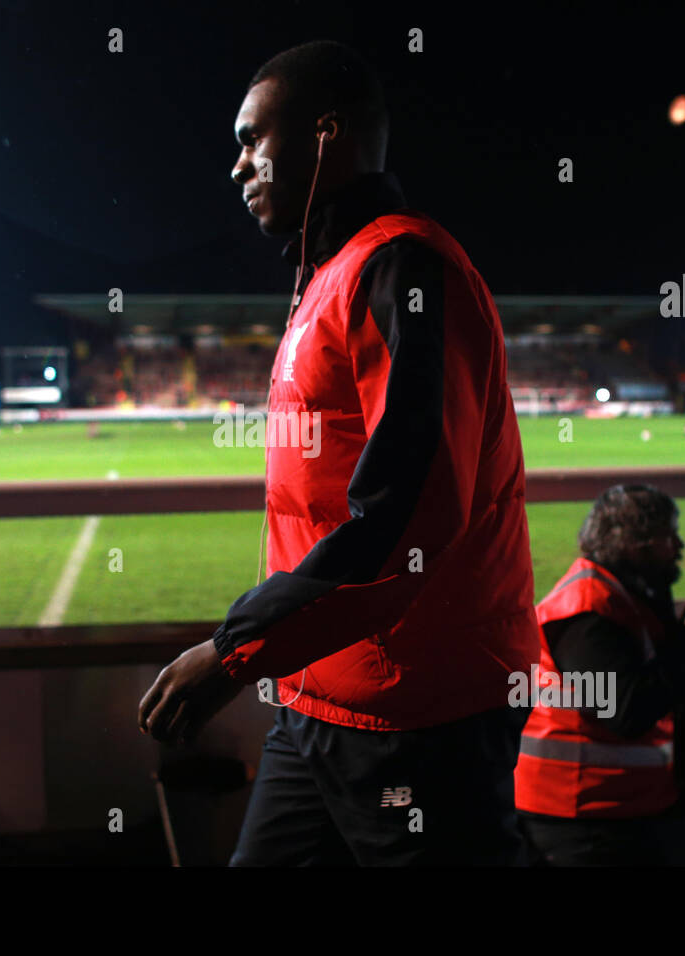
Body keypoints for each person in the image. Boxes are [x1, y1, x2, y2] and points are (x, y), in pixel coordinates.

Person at [138, 40, 540, 865]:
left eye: (255, 139)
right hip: (318, 694)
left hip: (419, 715)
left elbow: (412, 514)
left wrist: (233, 652)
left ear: (327, 134)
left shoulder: (402, 266)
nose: (239, 166)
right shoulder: (331, 274)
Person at [513, 484, 685, 865]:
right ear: (636, 545)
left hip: (610, 799)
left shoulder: (619, 593)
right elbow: (626, 712)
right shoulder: (587, 609)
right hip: (581, 812)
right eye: (669, 536)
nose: (680, 547)